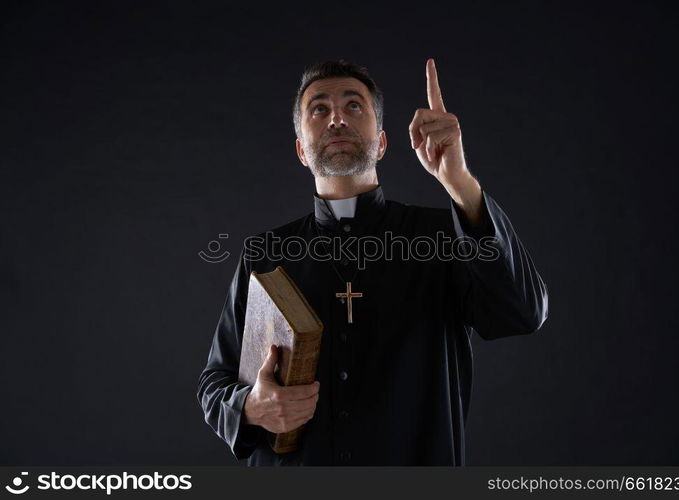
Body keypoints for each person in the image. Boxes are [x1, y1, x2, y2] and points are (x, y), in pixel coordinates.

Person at [197, 58, 549, 466]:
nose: (336, 121)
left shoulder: (443, 237)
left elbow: (524, 312)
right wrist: (251, 407)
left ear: (381, 142)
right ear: (300, 151)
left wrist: (461, 183)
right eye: (319, 109)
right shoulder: (265, 254)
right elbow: (215, 384)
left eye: (353, 106)